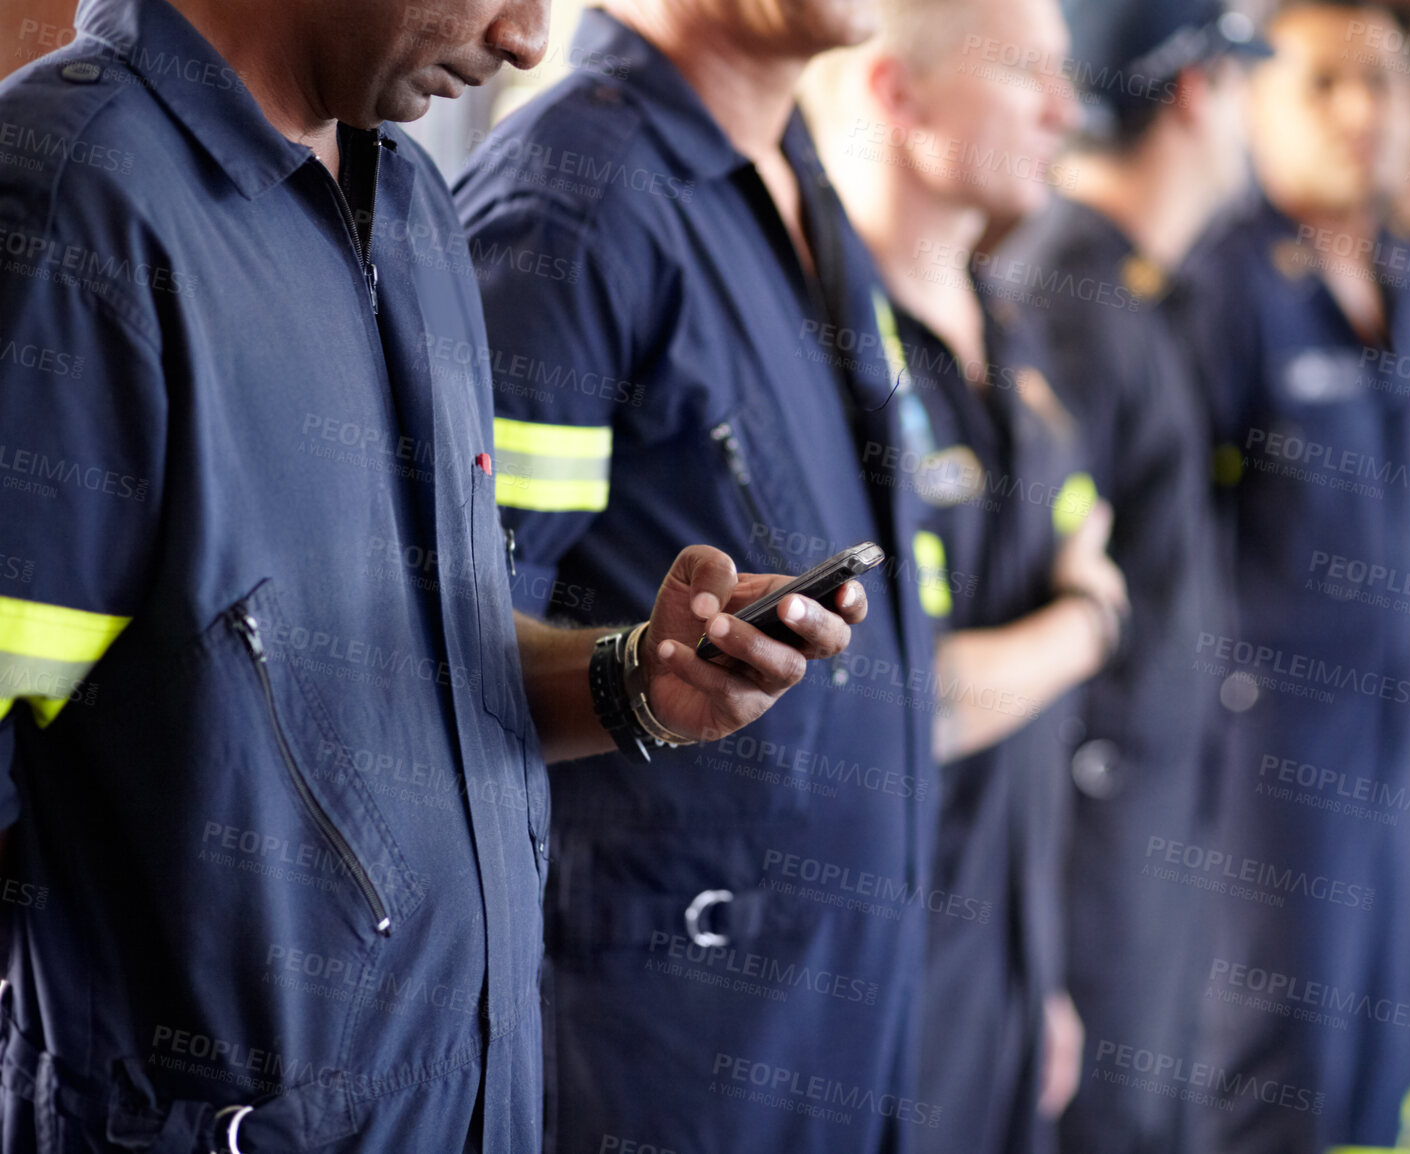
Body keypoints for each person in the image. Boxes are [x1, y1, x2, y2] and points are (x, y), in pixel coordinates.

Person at [0, 0, 869, 1149]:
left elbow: (423, 659)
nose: (526, 40)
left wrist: (633, 680)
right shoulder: (72, 205)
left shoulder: (406, 203)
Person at [453, 2, 939, 1151]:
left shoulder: (795, 184)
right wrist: (638, 677)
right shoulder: (572, 199)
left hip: (830, 1008)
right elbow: (435, 655)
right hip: (656, 1034)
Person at [803, 3, 1126, 1150]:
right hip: (868, 1002)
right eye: (1025, 76)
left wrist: (1036, 976)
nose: (1066, 110)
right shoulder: (821, 352)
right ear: (898, 96)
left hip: (997, 968)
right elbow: (910, 702)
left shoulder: (1009, 331)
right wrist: (1087, 621)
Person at [1180, 5, 1410, 1148]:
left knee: (1385, 1043)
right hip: (1268, 758)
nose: (1363, 113)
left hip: (1403, 743)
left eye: (1382, 84)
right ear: (1250, 98)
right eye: (1322, 85)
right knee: (1276, 1052)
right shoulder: (1223, 287)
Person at [989, 1, 1265, 1149]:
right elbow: (1032, 601)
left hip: (1139, 825)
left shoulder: (1131, 287)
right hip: (1087, 849)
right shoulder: (1074, 298)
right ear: (1197, 93)